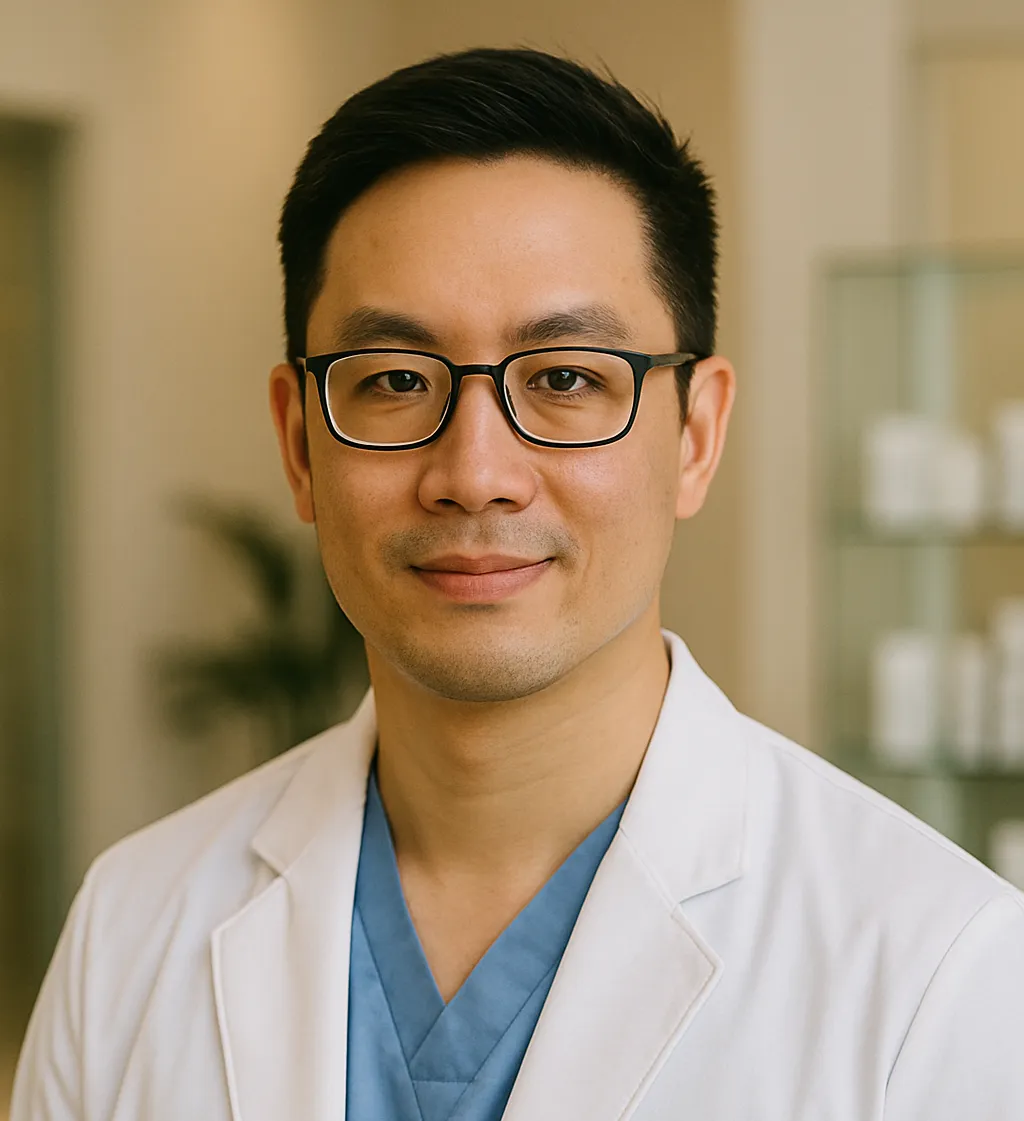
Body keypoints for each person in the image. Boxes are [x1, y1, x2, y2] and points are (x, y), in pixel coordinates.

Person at [11, 47, 1024, 1121]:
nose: (474, 474)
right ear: (298, 442)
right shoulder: (132, 924)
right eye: (396, 381)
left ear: (696, 433)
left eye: (566, 379)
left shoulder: (937, 967)